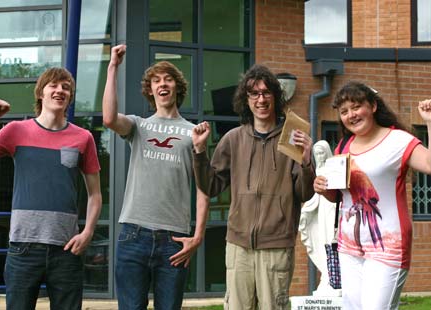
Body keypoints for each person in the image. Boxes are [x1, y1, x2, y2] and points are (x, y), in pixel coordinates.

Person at [0, 67, 102, 310]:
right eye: (54, 85)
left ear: (70, 97)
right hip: (23, 248)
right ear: (41, 93)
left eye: (66, 87)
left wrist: (88, 232)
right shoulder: (16, 131)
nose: (60, 90)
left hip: (67, 249)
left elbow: (95, 194)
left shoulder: (83, 138)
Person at [192, 64, 315, 309]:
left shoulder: (292, 137)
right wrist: (199, 151)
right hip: (238, 247)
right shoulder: (233, 139)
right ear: (246, 100)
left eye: (266, 92)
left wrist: (306, 160)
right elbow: (211, 186)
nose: (261, 99)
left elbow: (305, 193)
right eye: (254, 94)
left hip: (277, 246)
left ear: (275, 97)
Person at [102, 44, 209, 310]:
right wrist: (113, 67)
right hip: (133, 235)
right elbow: (108, 119)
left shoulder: (193, 132)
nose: (162, 84)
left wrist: (197, 237)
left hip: (174, 240)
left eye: (168, 79)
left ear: (177, 88)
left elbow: (203, 188)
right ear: (150, 90)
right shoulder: (138, 125)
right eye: (156, 80)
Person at [314, 81, 431, 310]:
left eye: (356, 107)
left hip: (388, 246)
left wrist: (429, 122)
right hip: (349, 247)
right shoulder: (343, 146)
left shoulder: (398, 140)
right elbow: (339, 197)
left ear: (373, 106)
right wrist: (323, 187)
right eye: (344, 111)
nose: (351, 115)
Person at [299, 140, 340, 296]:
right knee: (323, 241)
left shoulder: (331, 169)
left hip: (332, 209)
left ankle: (335, 278)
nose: (319, 155)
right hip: (321, 210)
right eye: (317, 153)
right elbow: (314, 194)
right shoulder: (316, 171)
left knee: (332, 240)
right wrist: (307, 211)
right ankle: (326, 275)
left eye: (322, 152)